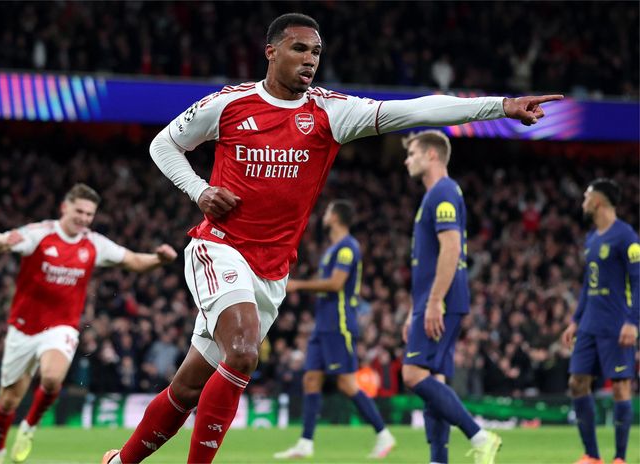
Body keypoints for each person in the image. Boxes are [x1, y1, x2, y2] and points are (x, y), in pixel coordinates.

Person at [102, 12, 560, 464]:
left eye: (316, 52)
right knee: (242, 354)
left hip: (272, 271)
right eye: (299, 49)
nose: (310, 59)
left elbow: (415, 109)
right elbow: (163, 144)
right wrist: (199, 190)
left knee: (186, 387)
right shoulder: (229, 104)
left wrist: (499, 106)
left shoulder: (330, 112)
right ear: (272, 51)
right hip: (218, 247)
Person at [0, 183, 177, 464]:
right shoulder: (40, 234)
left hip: (61, 327)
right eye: (80, 211)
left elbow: (133, 260)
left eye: (89, 214)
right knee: (8, 400)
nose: (84, 218)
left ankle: (29, 427)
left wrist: (159, 260)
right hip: (23, 327)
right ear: (65, 207)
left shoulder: (94, 243)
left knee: (51, 378)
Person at [400, 130, 501, 464]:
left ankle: (480, 436)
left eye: (412, 153)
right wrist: (416, 308)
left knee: (413, 375)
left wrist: (431, 303)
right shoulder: (436, 194)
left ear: (431, 155)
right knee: (435, 378)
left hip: (441, 300)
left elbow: (452, 247)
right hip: (436, 299)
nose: (407, 160)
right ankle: (438, 459)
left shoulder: (443, 191)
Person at [274, 200, 395, 460]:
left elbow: (335, 284)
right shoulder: (331, 250)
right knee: (311, 378)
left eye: (328, 212)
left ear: (337, 218)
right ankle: (305, 443)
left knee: (346, 382)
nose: (324, 215)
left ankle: (384, 434)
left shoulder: (348, 248)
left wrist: (298, 286)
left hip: (338, 323)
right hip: (323, 324)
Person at [561, 179, 638, 464]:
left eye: (586, 196)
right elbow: (587, 285)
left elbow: (639, 280)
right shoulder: (592, 239)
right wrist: (575, 320)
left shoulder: (626, 236)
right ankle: (592, 455)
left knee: (620, 385)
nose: (582, 201)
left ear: (599, 201)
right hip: (590, 323)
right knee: (577, 383)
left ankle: (619, 457)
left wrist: (633, 321)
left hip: (616, 324)